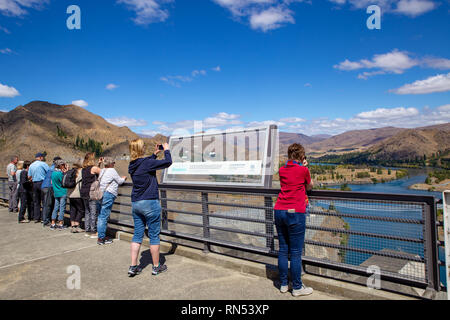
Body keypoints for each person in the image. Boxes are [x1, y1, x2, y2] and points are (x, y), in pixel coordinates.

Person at [274, 143, 314, 297]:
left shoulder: (282, 169)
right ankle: (297, 287)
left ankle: (284, 284)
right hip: (295, 212)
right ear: (301, 156)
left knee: (283, 249)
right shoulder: (303, 170)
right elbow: (309, 186)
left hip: (279, 210)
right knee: (296, 252)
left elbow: (289, 178)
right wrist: (306, 167)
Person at [128, 140, 172, 277]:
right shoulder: (146, 163)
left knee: (137, 235)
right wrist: (167, 150)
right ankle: (156, 267)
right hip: (150, 203)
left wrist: (154, 154)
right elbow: (168, 162)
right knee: (154, 236)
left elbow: (145, 165)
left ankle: (133, 266)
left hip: (136, 203)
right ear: (141, 149)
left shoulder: (132, 165)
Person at [96, 157, 127, 245]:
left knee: (101, 215)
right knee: (104, 216)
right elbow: (120, 181)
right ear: (110, 163)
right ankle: (101, 238)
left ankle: (101, 235)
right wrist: (124, 178)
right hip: (108, 194)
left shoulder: (102, 171)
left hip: (100, 194)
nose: (114, 164)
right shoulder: (112, 171)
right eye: (113, 162)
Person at [80, 153, 103, 238]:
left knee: (87, 212)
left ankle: (87, 230)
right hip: (91, 192)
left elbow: (93, 171)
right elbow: (102, 173)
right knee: (93, 212)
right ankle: (93, 231)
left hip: (83, 191)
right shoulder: (94, 168)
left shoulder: (84, 169)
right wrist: (102, 163)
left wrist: (99, 163)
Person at [28, 153, 50, 223]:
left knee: (36, 201)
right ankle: (44, 218)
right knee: (44, 201)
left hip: (34, 183)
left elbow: (29, 176)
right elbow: (49, 172)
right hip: (42, 183)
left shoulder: (31, 165)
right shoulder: (43, 164)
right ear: (40, 157)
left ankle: (36, 217)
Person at [41, 156, 62, 227]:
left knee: (48, 204)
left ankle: (47, 219)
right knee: (48, 204)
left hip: (45, 186)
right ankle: (46, 220)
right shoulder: (55, 169)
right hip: (49, 187)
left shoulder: (51, 168)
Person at [67, 161, 85, 233]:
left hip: (70, 194)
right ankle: (77, 225)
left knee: (73, 210)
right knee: (81, 210)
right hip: (77, 194)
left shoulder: (70, 172)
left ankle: (72, 225)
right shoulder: (80, 172)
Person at [50, 160, 68, 230]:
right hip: (62, 192)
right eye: (63, 165)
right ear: (60, 165)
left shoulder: (53, 173)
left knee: (55, 207)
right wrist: (66, 172)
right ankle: (60, 223)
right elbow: (64, 181)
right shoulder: (60, 174)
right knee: (62, 208)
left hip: (56, 192)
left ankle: (53, 222)